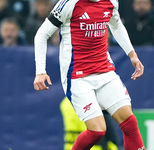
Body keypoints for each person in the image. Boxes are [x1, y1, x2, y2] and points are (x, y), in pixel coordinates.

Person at [33, 0, 145, 150]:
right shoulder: (68, 3)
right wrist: (40, 71)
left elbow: (116, 25)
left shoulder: (111, 2)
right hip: (77, 77)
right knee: (97, 131)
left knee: (129, 122)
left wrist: (132, 55)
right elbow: (41, 34)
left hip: (105, 71)